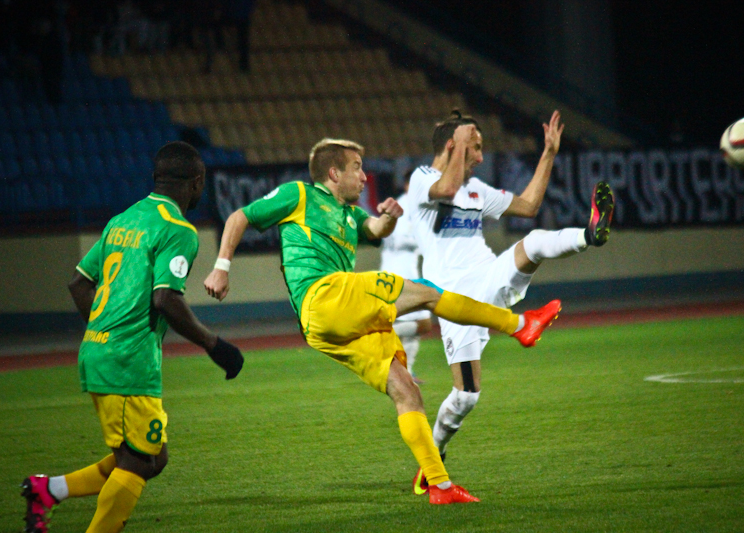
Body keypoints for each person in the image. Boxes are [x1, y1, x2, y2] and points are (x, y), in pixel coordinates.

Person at [203, 138, 561, 504]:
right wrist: (221, 267)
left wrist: (389, 217)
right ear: (333, 173)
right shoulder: (299, 194)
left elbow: (375, 230)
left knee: (406, 390)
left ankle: (439, 486)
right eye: (357, 168)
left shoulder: (349, 213)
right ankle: (519, 325)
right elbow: (240, 216)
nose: (364, 176)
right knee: (427, 292)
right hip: (324, 295)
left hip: (328, 325)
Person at [21, 141, 245, 533]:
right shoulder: (178, 229)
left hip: (99, 352)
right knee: (140, 461)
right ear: (197, 182)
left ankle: (48, 490)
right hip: (128, 361)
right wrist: (215, 345)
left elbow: (78, 284)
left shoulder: (122, 220)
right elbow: (166, 299)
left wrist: (103, 331)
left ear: (156, 178)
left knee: (152, 457)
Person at [405, 110, 615, 495]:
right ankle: (432, 460)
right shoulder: (422, 179)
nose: (480, 157)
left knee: (533, 241)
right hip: (452, 300)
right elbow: (446, 189)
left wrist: (548, 153)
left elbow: (529, 205)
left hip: (488, 277)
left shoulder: (475, 189)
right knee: (465, 396)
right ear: (452, 146)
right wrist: (461, 142)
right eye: (474, 147)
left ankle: (590, 234)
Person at [379, 171, 432, 384]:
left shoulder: (415, 207)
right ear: (408, 185)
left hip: (408, 271)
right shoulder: (403, 206)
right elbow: (399, 238)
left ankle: (407, 371)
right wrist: (425, 241)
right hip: (399, 273)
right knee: (423, 323)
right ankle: (380, 334)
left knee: (418, 324)